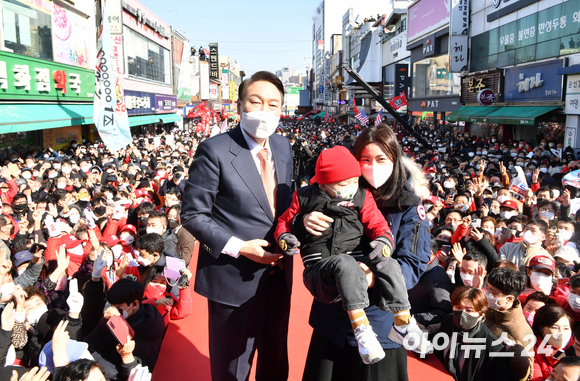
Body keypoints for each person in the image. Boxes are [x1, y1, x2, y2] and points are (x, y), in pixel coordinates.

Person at [181, 71, 293, 381]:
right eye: (255, 102)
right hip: (232, 279)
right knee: (233, 368)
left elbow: (284, 205)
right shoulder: (214, 151)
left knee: (275, 360)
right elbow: (192, 215)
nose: (264, 111)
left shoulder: (283, 147)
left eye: (273, 104)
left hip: (278, 276)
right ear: (240, 105)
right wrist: (240, 247)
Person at [300, 124, 431, 381]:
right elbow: (299, 207)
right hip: (332, 320)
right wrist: (302, 221)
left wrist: (373, 278)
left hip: (380, 323)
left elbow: (413, 264)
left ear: (395, 159)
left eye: (381, 159)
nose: (372, 167)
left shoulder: (409, 206)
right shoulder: (335, 190)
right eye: (365, 160)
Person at [433, 286, 511, 381]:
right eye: (458, 307)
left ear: (480, 315)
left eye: (469, 310)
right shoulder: (448, 322)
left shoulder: (493, 347)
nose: (462, 313)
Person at [484, 267, 534, 381]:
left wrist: (517, 357)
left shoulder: (519, 333)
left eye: (493, 292)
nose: (487, 294)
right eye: (487, 289)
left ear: (510, 298)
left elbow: (526, 374)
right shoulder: (489, 310)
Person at [532, 305, 573, 381]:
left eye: (566, 328)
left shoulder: (576, 347)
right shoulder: (531, 351)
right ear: (541, 329)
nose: (561, 332)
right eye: (555, 327)